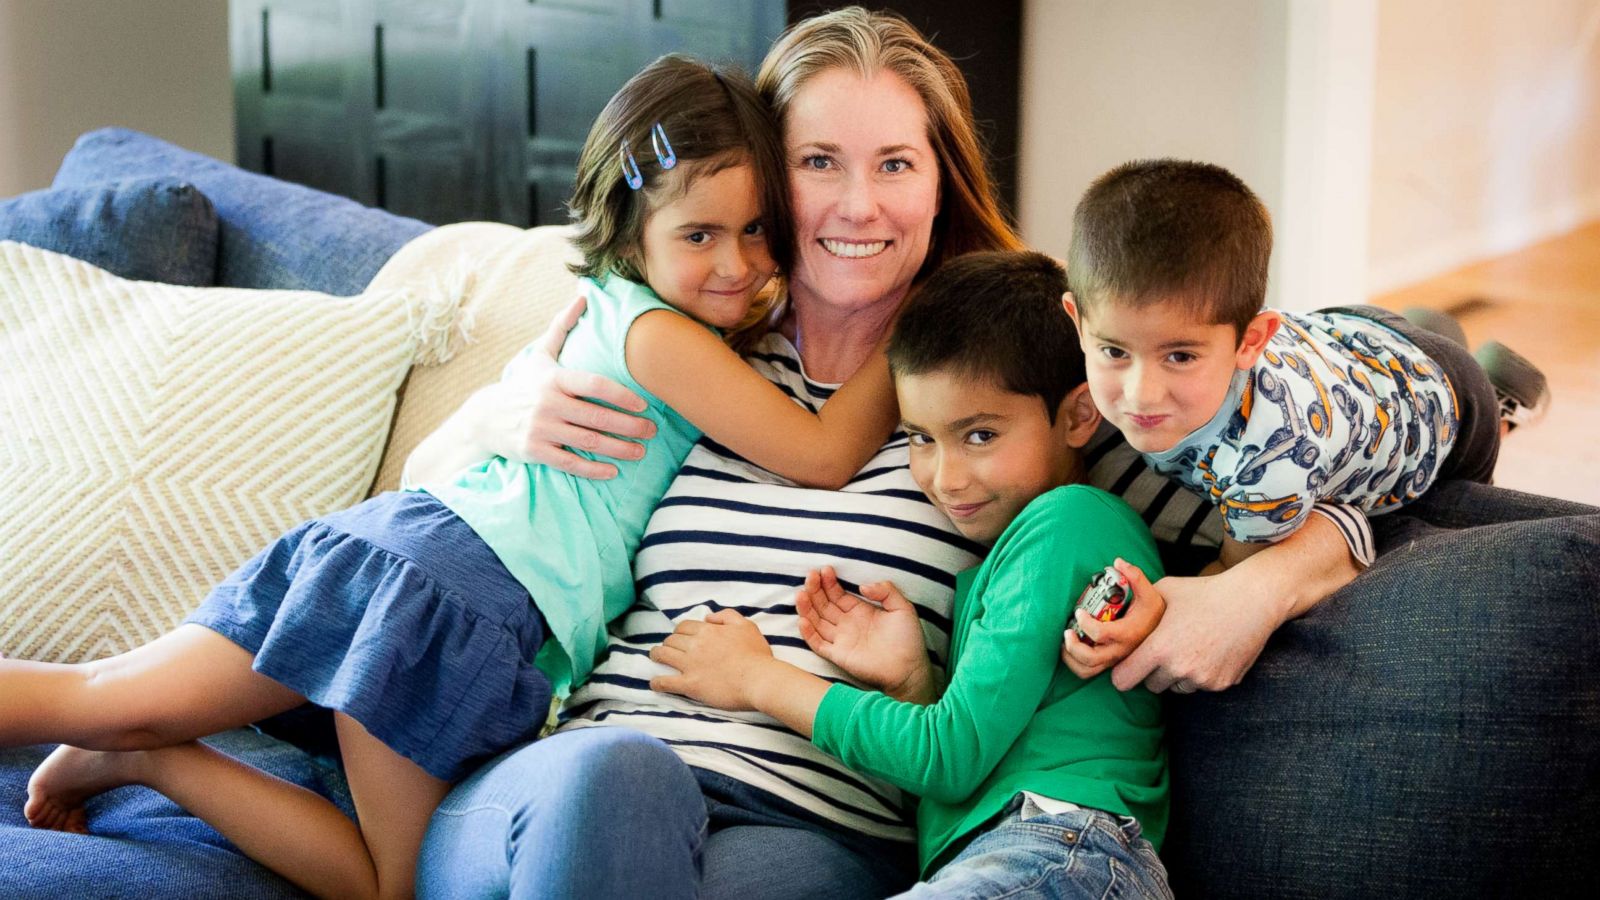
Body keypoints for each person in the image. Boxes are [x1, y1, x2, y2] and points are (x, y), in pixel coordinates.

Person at [410, 8, 1372, 899]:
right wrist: (483, 422)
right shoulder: (690, 342)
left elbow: (1300, 483)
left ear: (941, 179)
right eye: (818, 161)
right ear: (757, 175)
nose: (858, 205)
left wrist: (1260, 589)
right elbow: (448, 522)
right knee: (616, 781)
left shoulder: (1007, 382)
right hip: (566, 787)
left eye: (896, 165)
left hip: (806, 823)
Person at [0, 54, 903, 900]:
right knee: (387, 883)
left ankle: (130, 745)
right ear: (629, 238)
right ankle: (151, 759)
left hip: (396, 545)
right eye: (699, 234)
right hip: (463, 598)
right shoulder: (659, 336)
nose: (738, 264)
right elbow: (819, 453)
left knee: (100, 693)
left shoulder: (630, 315)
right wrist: (913, 321)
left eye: (757, 231)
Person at [651, 250, 1174, 899]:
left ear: (1076, 416)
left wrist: (757, 679)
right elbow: (966, 761)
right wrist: (911, 683)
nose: (945, 477)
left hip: (1065, 849)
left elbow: (949, 758)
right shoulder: (1017, 551)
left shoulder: (1069, 523)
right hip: (1006, 858)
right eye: (920, 438)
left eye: (979, 435)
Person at [1062, 158, 1514, 573]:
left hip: (1443, 403)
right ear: (1077, 323)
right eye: (1115, 352)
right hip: (1351, 335)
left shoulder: (1267, 469)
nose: (1141, 392)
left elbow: (1228, 580)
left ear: (1250, 341)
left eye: (1179, 356)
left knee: (1460, 523)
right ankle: (1430, 329)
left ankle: (1499, 397)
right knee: (1412, 347)